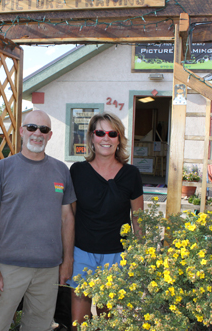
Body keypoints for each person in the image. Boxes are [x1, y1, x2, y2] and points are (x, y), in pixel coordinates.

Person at [0, 110, 76, 331]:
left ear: (50, 135)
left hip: (48, 268)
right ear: (22, 131)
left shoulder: (61, 170)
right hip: (7, 268)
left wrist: (67, 259)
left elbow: (67, 217)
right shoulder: (1, 169)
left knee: (39, 327)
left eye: (43, 130)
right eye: (32, 128)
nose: (37, 133)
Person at [68, 112, 144, 329]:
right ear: (92, 137)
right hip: (82, 252)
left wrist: (139, 258)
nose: (106, 138)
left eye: (112, 133)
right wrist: (66, 255)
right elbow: (70, 216)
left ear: (119, 139)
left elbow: (138, 220)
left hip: (116, 255)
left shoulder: (131, 174)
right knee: (78, 323)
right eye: (100, 132)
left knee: (108, 322)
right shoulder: (77, 171)